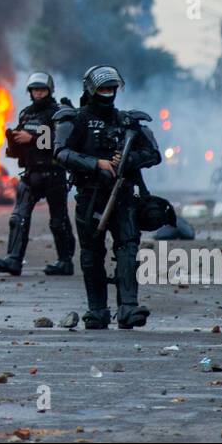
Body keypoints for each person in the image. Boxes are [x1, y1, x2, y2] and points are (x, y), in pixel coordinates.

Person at [54, 65, 161, 330]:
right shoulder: (74, 120)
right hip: (90, 196)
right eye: (102, 88)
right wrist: (96, 164)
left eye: (111, 88)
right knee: (91, 254)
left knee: (128, 247)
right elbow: (61, 153)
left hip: (123, 196)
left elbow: (153, 153)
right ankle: (97, 310)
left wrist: (127, 159)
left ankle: (128, 307)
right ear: (91, 89)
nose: (107, 93)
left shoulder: (127, 121)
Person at [0, 71, 75, 276]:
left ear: (49, 91)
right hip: (30, 174)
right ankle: (14, 259)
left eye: (42, 89)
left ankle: (65, 262)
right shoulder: (26, 114)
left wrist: (32, 138)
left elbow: (59, 141)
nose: (38, 93)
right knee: (18, 217)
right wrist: (13, 140)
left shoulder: (59, 114)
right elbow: (18, 147)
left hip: (54, 175)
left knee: (58, 221)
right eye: (35, 90)